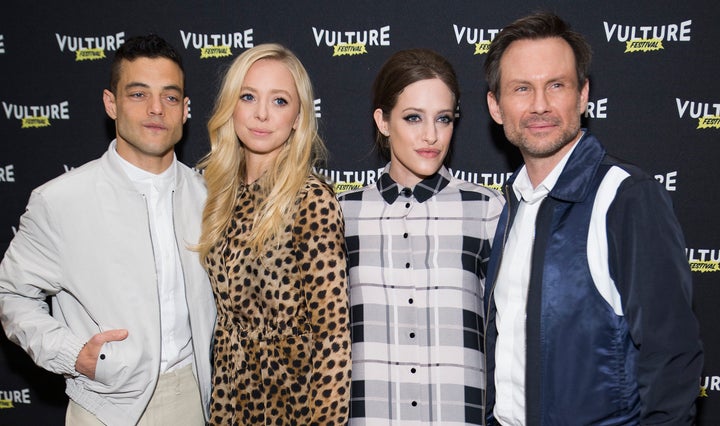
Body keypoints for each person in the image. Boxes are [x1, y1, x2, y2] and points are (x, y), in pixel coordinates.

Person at [482, 12, 703, 425]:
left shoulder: (626, 197)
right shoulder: (511, 203)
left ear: (583, 96)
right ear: (496, 106)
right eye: (521, 89)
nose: (540, 105)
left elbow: (672, 359)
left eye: (557, 85)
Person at [0, 34, 215, 425]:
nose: (155, 109)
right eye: (138, 94)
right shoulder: (62, 201)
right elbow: (11, 293)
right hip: (104, 405)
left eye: (169, 97)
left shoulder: (208, 197)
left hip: (194, 401)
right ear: (110, 103)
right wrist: (74, 353)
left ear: (185, 110)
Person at [338, 49, 505, 425]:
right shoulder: (341, 213)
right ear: (382, 121)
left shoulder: (486, 209)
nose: (431, 135)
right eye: (413, 118)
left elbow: (509, 336)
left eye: (443, 119)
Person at [195, 43, 351, 425]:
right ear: (232, 105)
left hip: (292, 403)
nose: (262, 113)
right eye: (248, 97)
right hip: (228, 399)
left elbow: (333, 335)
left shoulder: (311, 199)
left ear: (298, 117)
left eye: (279, 101)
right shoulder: (214, 193)